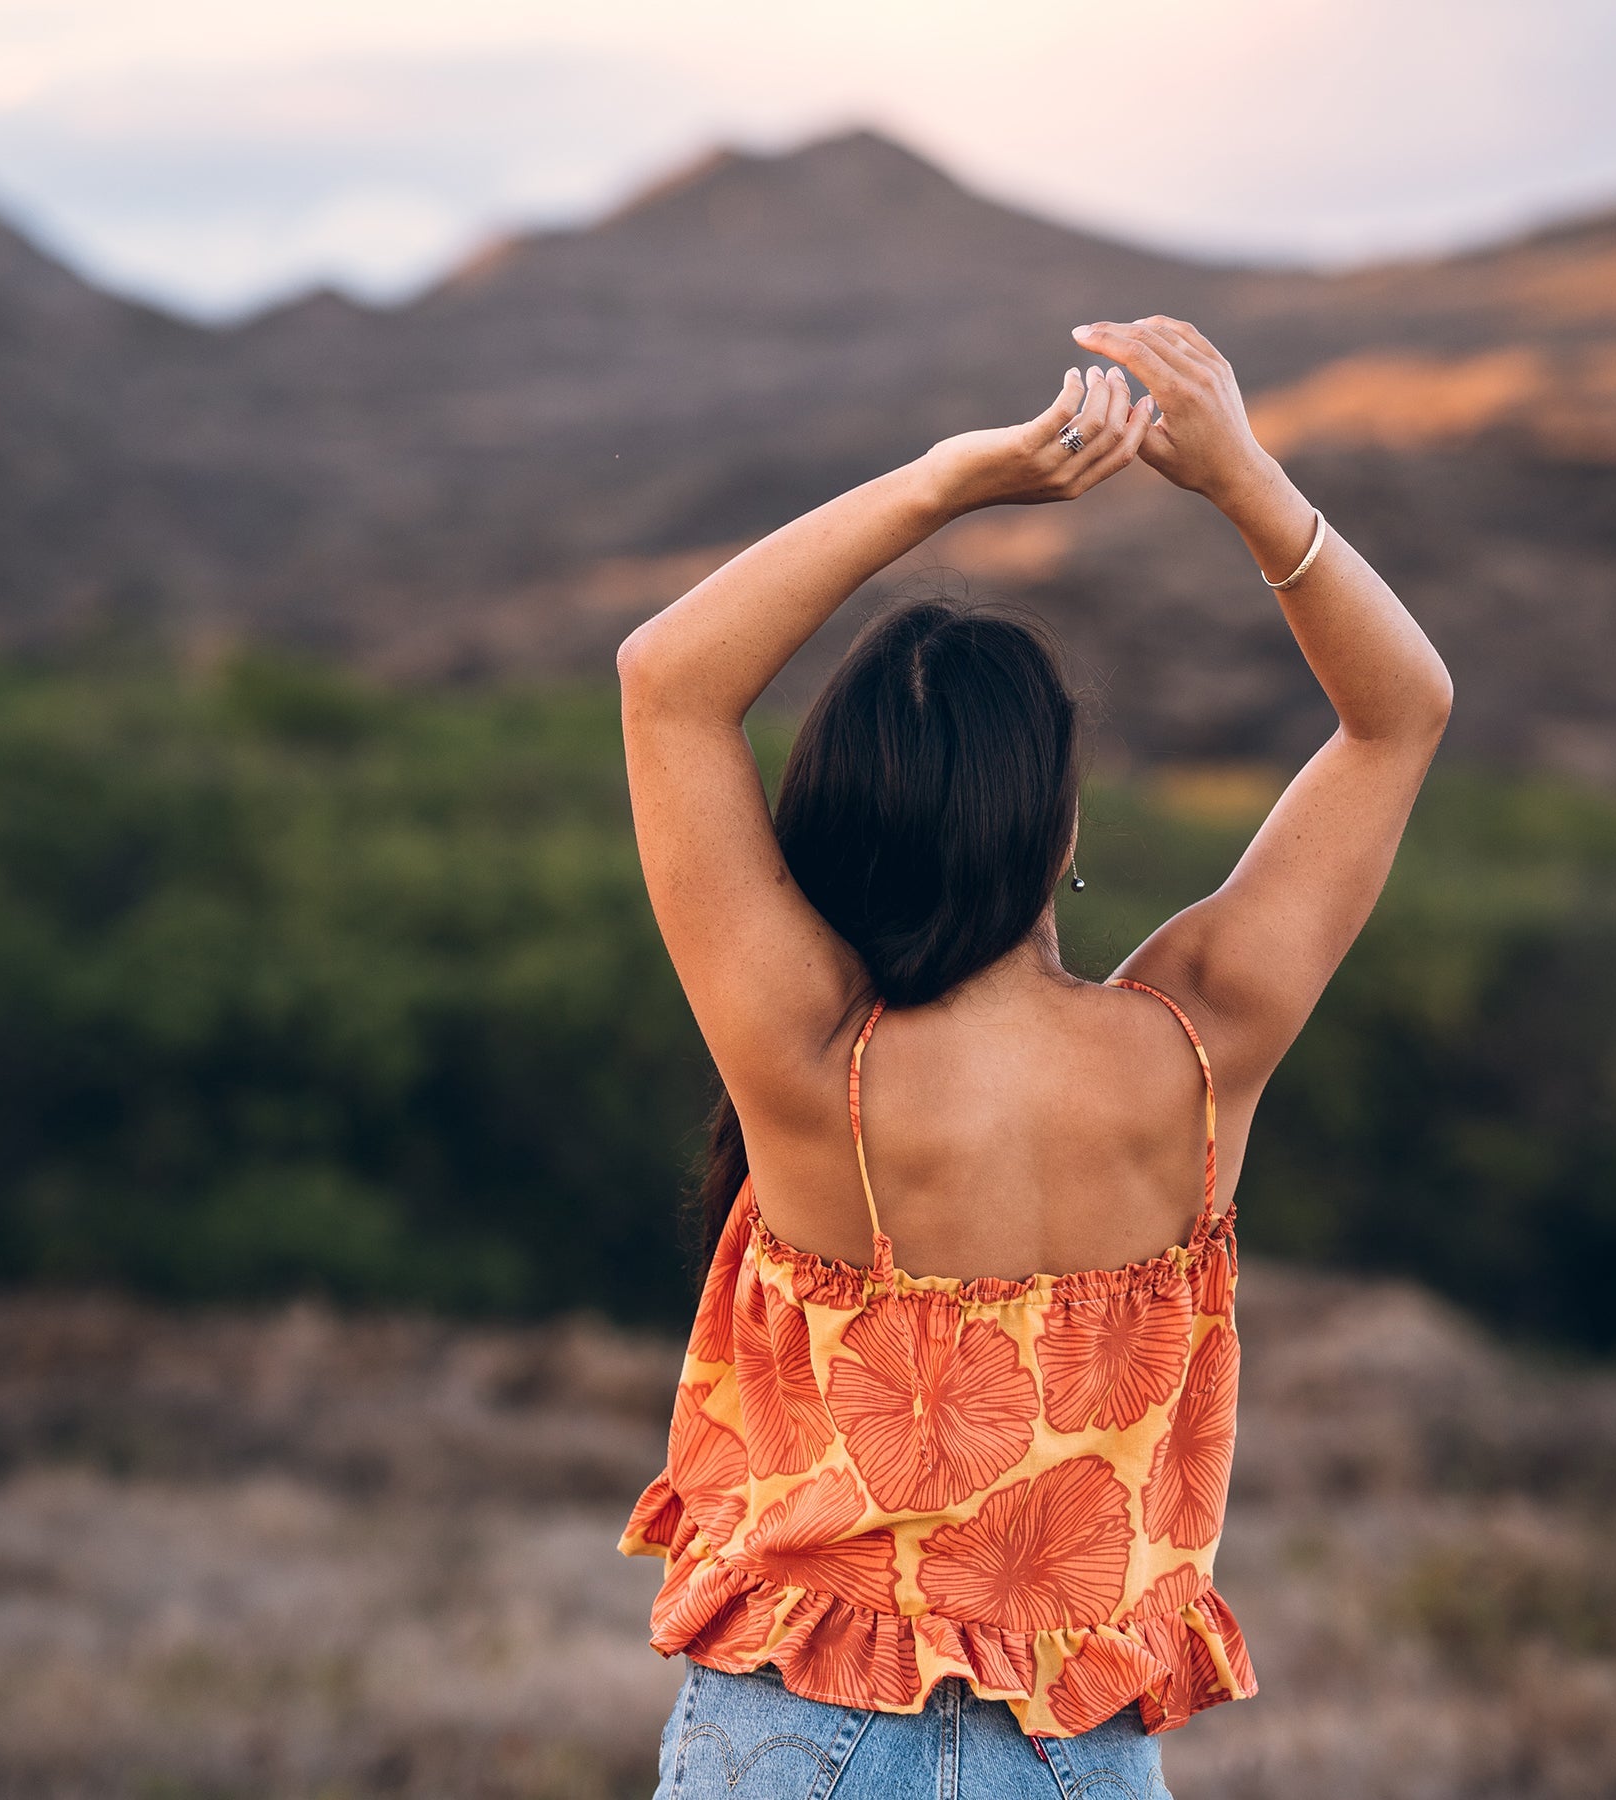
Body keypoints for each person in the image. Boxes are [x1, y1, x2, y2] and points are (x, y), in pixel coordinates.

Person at [613, 316, 1454, 1799]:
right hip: (1074, 1759)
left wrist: (946, 483)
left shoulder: (811, 1069)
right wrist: (1245, 478)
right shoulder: (1197, 1052)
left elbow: (666, 678)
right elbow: (1401, 718)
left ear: (843, 819)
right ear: (1056, 826)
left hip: (793, 1739)